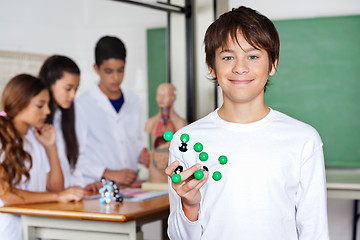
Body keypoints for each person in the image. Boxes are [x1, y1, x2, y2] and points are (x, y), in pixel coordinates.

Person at [165, 6, 329, 240]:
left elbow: (315, 231)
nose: (240, 67)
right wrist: (189, 206)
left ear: (272, 64)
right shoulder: (187, 141)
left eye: (253, 56)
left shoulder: (303, 139)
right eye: (228, 57)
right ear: (211, 66)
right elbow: (179, 237)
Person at [0, 74, 84, 240]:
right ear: (19, 105)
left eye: (47, 104)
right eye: (40, 105)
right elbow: (7, 195)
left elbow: (55, 187)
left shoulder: (34, 137)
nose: (47, 111)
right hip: (10, 230)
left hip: (37, 226)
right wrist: (57, 197)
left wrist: (50, 147)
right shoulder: (2, 139)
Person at [76, 36, 150, 186]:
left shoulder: (134, 101)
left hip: (130, 187)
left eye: (120, 70)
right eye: (108, 71)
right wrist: (108, 173)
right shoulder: (81, 105)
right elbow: (75, 157)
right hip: (97, 187)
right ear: (96, 69)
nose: (116, 77)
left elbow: (135, 141)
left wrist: (141, 154)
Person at [39, 55, 86, 188]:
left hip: (65, 196)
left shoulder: (68, 115)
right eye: (68, 89)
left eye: (76, 89)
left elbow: (73, 163)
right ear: (50, 83)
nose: (73, 95)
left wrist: (78, 185)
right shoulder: (36, 123)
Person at [145, 83, 187, 183]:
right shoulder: (151, 122)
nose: (161, 99)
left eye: (165, 95)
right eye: (159, 95)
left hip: (173, 167)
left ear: (173, 97)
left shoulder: (180, 123)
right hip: (155, 167)